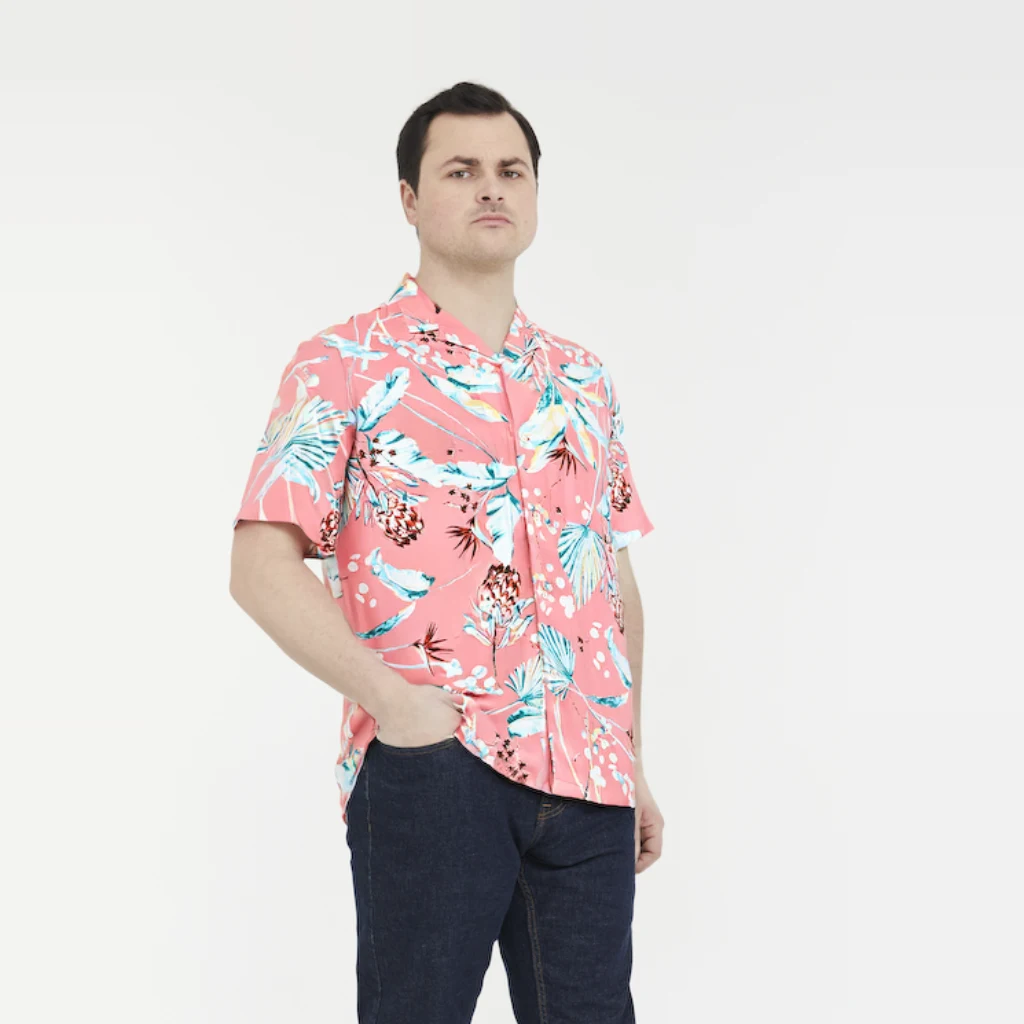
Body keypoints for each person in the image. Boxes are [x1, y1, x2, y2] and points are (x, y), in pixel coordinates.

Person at [229, 80, 664, 1024]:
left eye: (512, 170)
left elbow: (613, 582)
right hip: (438, 765)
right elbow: (259, 564)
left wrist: (630, 757)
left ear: (536, 194)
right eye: (461, 171)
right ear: (410, 199)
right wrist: (397, 706)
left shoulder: (583, 379)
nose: (491, 187)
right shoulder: (342, 362)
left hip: (589, 776)